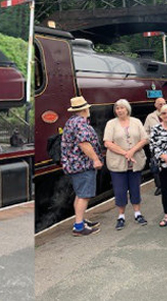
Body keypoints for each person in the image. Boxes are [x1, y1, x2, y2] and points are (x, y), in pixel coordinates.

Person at [104, 99, 148, 230]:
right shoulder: (111, 124)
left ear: (127, 109)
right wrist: (125, 153)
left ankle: (137, 213)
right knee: (120, 190)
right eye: (117, 108)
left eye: (122, 108)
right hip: (117, 163)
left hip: (135, 161)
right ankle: (121, 216)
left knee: (135, 188)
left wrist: (132, 151)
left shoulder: (136, 122)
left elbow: (144, 139)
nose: (120, 110)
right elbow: (107, 142)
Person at [61, 96, 102, 236]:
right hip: (82, 165)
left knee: (80, 195)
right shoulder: (80, 123)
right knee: (84, 195)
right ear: (85, 109)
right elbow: (84, 143)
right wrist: (95, 159)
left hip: (76, 165)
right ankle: (79, 227)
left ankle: (80, 221)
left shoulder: (72, 121)